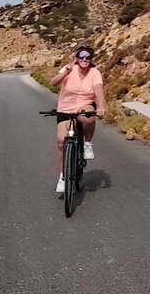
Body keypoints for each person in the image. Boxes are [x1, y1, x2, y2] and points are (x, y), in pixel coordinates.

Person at [50, 45, 106, 193]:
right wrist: (67, 70)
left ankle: (87, 144)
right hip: (66, 108)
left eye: (88, 57)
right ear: (77, 58)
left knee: (88, 118)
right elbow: (53, 82)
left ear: (91, 59)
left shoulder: (94, 73)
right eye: (81, 57)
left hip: (84, 104)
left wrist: (101, 107)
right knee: (61, 142)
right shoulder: (69, 69)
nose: (85, 59)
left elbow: (99, 90)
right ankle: (62, 177)